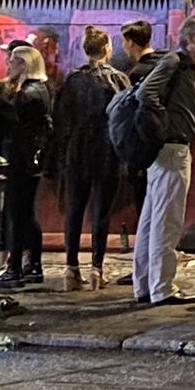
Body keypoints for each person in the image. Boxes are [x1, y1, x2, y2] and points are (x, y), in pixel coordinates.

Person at [129, 13, 195, 307]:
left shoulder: (184, 65)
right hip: (172, 150)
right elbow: (146, 93)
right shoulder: (175, 62)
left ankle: (145, 285)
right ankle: (162, 288)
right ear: (191, 39)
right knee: (168, 222)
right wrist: (162, 126)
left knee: (152, 220)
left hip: (166, 152)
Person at [54, 24, 128, 289]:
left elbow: (60, 118)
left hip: (76, 151)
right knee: (101, 211)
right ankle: (97, 268)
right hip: (107, 151)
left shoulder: (72, 79)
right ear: (107, 48)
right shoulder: (118, 79)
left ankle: (71, 269)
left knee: (74, 210)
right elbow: (124, 116)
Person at [0, 43, 55, 285]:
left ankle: (16, 268)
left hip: (19, 159)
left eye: (12, 61)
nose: (8, 65)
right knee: (26, 211)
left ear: (23, 64)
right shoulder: (42, 89)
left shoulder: (26, 95)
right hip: (32, 158)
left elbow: (11, 123)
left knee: (16, 212)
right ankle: (33, 264)